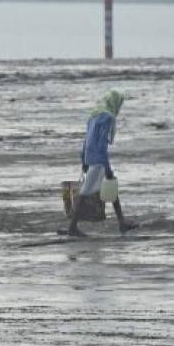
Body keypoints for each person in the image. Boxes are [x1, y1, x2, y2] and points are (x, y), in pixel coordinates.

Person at [68, 89, 137, 237]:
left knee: (111, 188)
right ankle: (72, 227)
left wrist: (83, 158)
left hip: (89, 156)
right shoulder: (107, 117)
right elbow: (101, 143)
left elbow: (86, 140)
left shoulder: (93, 115)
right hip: (98, 160)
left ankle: (122, 223)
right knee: (85, 193)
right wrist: (106, 166)